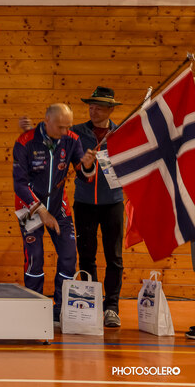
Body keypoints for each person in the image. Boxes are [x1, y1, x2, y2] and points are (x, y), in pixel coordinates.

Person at [13, 103, 96, 325]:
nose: (65, 131)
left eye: (68, 126)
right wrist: (41, 211)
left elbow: (83, 175)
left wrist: (88, 166)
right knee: (35, 258)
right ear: (47, 120)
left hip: (59, 207)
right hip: (29, 208)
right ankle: (34, 310)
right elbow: (19, 185)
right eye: (60, 127)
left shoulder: (72, 139)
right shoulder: (25, 142)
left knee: (69, 257)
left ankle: (60, 310)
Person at [72, 87, 124, 327]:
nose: (93, 111)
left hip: (113, 203)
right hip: (84, 203)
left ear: (110, 109)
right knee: (86, 256)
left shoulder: (121, 133)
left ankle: (112, 307)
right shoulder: (76, 133)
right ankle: (90, 304)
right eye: (91, 106)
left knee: (114, 257)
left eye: (99, 107)